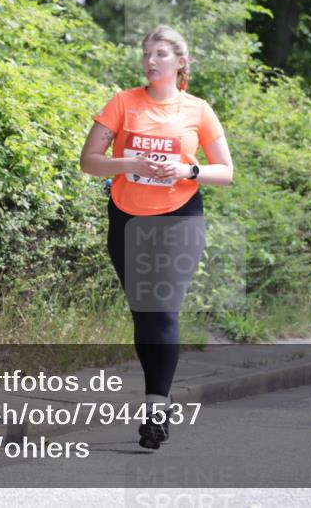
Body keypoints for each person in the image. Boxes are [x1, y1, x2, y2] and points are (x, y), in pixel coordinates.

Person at [79, 25, 234, 449]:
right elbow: (89, 161)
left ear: (180, 62)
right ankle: (157, 397)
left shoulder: (198, 110)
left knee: (162, 309)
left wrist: (188, 170)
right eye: (147, 54)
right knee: (144, 314)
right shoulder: (122, 103)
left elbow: (226, 171)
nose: (151, 61)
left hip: (179, 219)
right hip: (127, 219)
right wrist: (129, 162)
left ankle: (154, 411)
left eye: (161, 54)